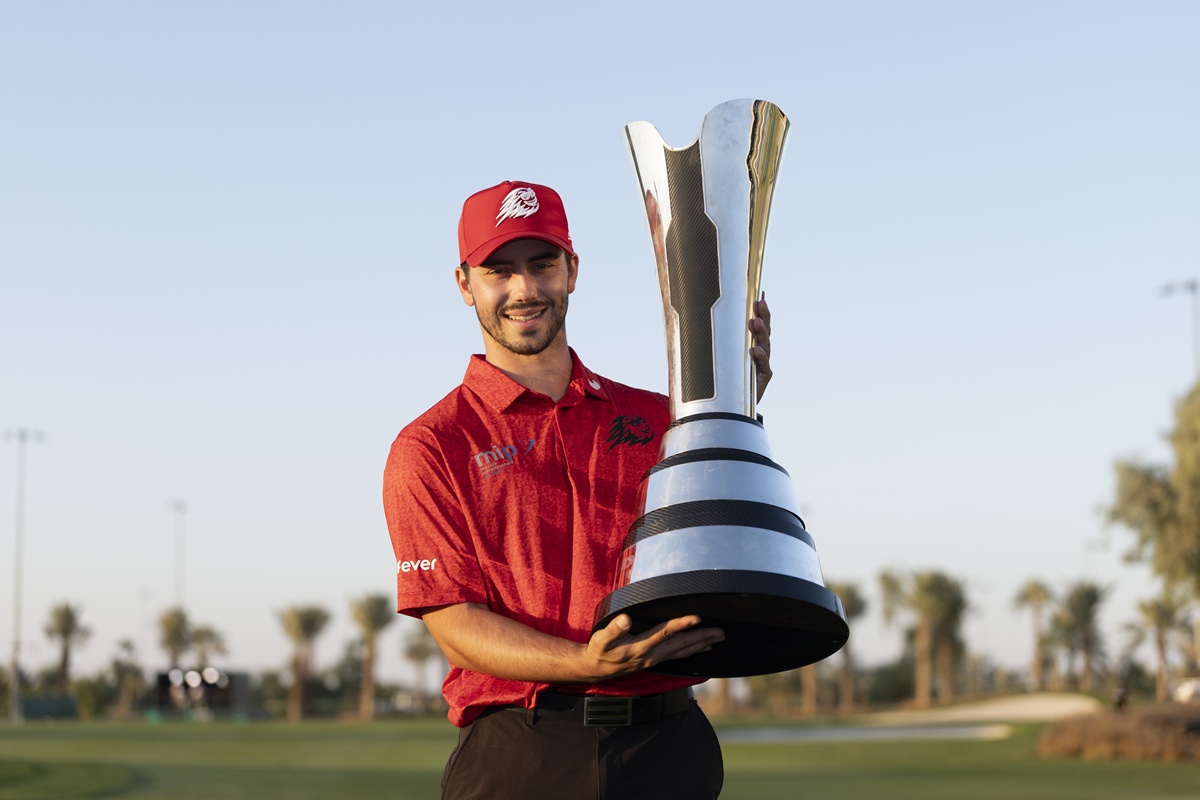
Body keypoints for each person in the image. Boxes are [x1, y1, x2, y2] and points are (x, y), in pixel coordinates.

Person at [382, 180, 773, 799]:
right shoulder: (431, 445)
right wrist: (587, 665)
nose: (523, 289)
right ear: (465, 284)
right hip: (523, 753)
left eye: (542, 265)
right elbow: (455, 622)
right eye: (499, 270)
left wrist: (731, 403)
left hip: (669, 746)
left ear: (572, 271)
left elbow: (718, 525)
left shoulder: (658, 419)